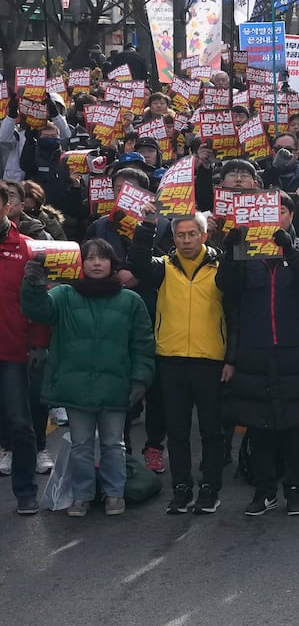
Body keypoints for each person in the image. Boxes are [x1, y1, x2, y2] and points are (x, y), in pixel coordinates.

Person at [20, 239, 154, 516]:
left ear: (112, 263)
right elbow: (37, 310)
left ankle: (115, 493)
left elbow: (143, 343)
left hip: (115, 385)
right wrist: (33, 283)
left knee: (113, 444)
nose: (95, 263)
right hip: (76, 387)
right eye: (90, 258)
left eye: (102, 258)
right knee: (80, 445)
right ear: (79, 263)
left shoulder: (131, 300)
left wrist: (140, 379)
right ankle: (82, 494)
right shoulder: (65, 295)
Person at [217, 192, 299, 517]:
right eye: (266, 211)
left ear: (291, 216)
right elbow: (227, 286)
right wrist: (232, 249)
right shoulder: (244, 252)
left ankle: (295, 491)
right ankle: (265, 491)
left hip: (295, 352)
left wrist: (289, 250)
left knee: (296, 429)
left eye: (279, 211)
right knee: (259, 428)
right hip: (255, 351)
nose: (272, 216)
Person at [128, 208, 229, 515]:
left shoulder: (221, 267)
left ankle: (210, 488)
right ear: (172, 238)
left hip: (210, 360)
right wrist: (146, 225)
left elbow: (236, 312)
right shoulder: (164, 267)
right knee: (178, 430)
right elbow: (137, 264)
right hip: (170, 359)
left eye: (192, 234)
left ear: (204, 234)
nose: (186, 240)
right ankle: (182, 488)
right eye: (180, 235)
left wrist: (232, 358)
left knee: (212, 431)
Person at [0, 181, 46, 513]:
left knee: (20, 423)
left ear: (7, 207)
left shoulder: (29, 248)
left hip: (14, 352)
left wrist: (40, 346)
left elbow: (41, 304)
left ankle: (26, 491)